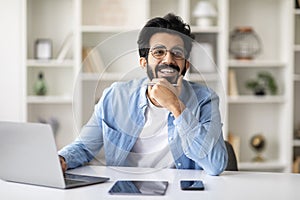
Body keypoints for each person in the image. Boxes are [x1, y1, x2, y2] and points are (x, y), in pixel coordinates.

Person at [59, 13, 228, 176]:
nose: (168, 60)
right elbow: (84, 147)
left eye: (177, 53)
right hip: (125, 191)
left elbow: (215, 165)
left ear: (186, 65)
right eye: (159, 52)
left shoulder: (206, 99)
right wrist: (62, 159)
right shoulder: (115, 96)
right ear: (143, 62)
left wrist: (176, 107)